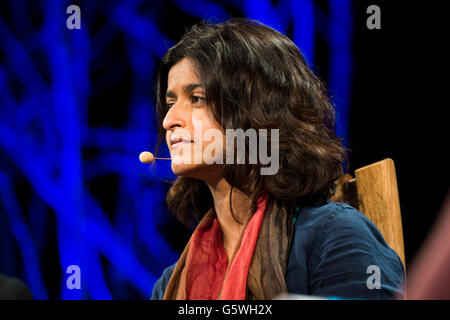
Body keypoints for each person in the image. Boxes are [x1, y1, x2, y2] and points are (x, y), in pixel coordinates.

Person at [150, 18, 405, 300]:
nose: (169, 120)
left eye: (196, 98)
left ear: (259, 108)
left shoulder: (335, 237)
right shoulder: (171, 284)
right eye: (170, 103)